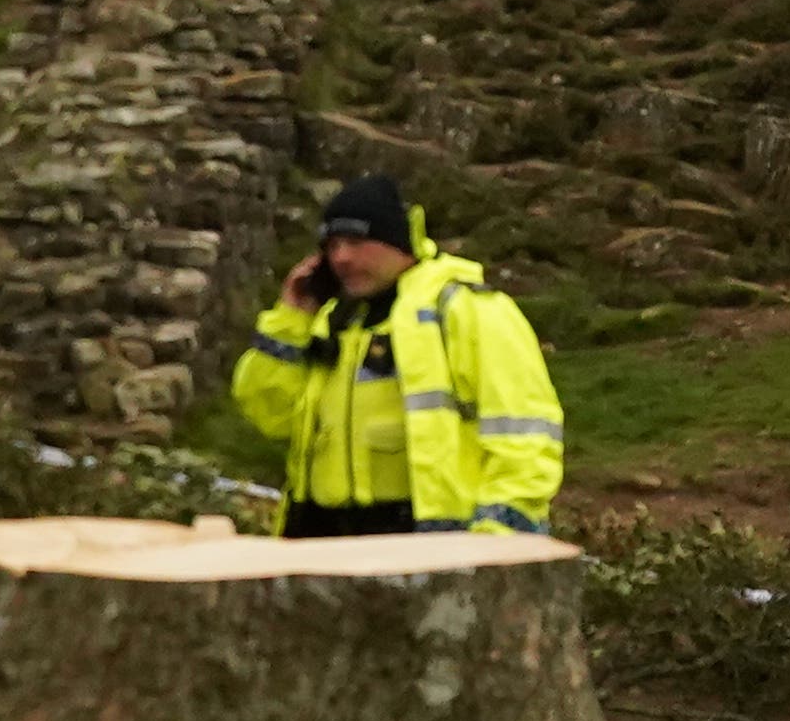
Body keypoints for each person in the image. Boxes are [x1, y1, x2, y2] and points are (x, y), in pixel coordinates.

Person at [230, 175, 565, 536]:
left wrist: (497, 537)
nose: (341, 257)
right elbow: (270, 415)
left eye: (358, 242)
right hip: (319, 540)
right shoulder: (333, 320)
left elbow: (526, 434)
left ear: (399, 243)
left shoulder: (465, 309)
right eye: (332, 244)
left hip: (426, 543)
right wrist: (289, 320)